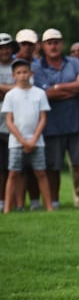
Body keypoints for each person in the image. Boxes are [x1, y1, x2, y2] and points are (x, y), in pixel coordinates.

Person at [32, 28, 79, 209]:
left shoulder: (74, 62)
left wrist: (57, 87)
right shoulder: (37, 66)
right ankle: (54, 202)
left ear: (62, 44)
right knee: (53, 166)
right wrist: (69, 90)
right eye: (49, 43)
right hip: (51, 124)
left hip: (75, 122)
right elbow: (43, 94)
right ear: (43, 46)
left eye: (56, 42)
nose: (53, 46)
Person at [3, 58, 52, 213]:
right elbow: (9, 121)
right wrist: (22, 140)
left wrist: (34, 139)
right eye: (19, 73)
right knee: (13, 173)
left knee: (41, 173)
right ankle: (7, 208)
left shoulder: (40, 93)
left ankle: (49, 207)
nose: (22, 76)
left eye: (25, 72)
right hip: (16, 142)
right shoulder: (10, 95)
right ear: (14, 75)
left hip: (37, 141)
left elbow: (43, 118)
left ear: (31, 73)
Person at [0, 33, 16, 210]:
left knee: (14, 168)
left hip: (15, 125)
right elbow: (16, 90)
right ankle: (2, 202)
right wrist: (12, 91)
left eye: (7, 47)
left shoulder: (18, 65)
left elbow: (22, 87)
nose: (4, 51)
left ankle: (15, 203)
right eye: (1, 48)